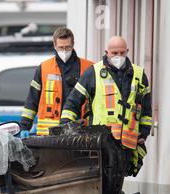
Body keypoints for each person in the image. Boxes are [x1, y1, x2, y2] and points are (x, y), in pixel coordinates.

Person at [60, 36, 152, 176]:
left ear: (127, 51)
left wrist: (144, 133)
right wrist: (66, 126)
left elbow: (146, 108)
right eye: (114, 53)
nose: (118, 56)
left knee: (117, 183)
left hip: (127, 144)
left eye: (122, 53)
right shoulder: (94, 73)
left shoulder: (139, 74)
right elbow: (73, 102)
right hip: (100, 142)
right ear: (106, 52)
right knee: (102, 182)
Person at [20, 27, 94, 136]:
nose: (64, 51)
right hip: (49, 134)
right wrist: (24, 126)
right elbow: (32, 100)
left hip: (80, 133)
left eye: (67, 47)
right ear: (54, 45)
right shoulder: (44, 68)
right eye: (61, 48)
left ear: (73, 44)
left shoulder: (89, 68)